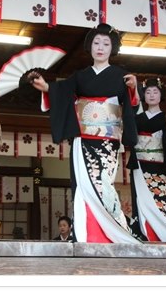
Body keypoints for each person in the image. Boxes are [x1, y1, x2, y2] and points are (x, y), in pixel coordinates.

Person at [29, 23, 141, 243]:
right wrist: (46, 87)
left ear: (113, 48)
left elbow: (132, 104)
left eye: (106, 43)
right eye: (96, 43)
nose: (100, 47)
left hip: (108, 140)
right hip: (83, 139)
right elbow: (61, 92)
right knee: (83, 185)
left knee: (102, 184)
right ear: (90, 47)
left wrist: (134, 87)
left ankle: (117, 230)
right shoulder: (80, 76)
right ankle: (83, 232)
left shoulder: (121, 75)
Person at [128, 77, 166, 242]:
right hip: (140, 166)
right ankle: (142, 234)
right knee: (140, 201)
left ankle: (161, 236)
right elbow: (130, 138)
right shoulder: (137, 118)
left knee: (159, 201)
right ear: (143, 96)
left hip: (159, 166)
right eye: (148, 92)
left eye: (155, 92)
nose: (151, 95)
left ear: (161, 95)